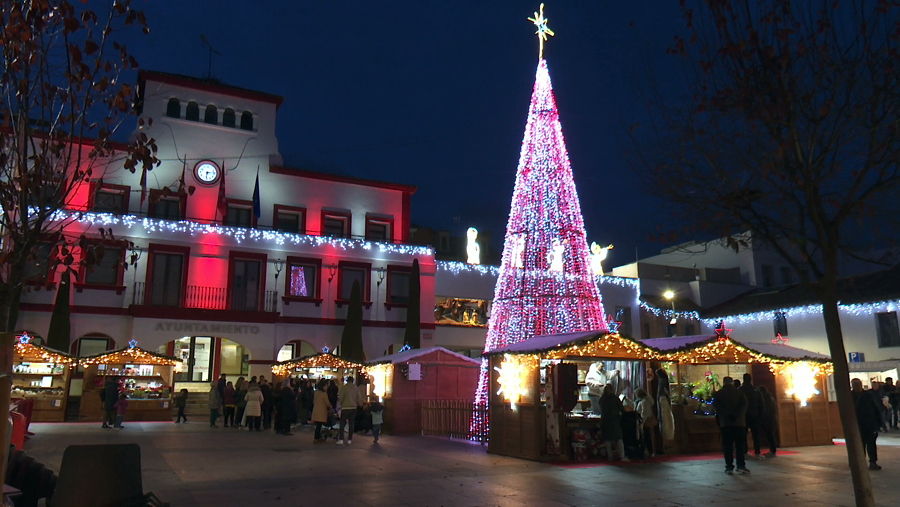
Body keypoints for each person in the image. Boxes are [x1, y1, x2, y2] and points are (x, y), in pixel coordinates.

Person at [712, 376, 749, 474]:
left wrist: (726, 415)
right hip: (739, 423)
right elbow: (744, 406)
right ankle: (741, 465)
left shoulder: (719, 394)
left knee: (727, 446)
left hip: (725, 424)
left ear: (723, 383)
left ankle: (729, 466)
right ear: (732, 382)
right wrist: (736, 415)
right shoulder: (740, 393)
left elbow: (716, 406)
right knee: (740, 446)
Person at [852, 378, 883, 470]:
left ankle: (872, 462)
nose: (857, 387)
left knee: (870, 444)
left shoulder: (867, 395)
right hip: (858, 425)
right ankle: (862, 462)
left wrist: (878, 423)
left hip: (869, 424)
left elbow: (876, 409)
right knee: (860, 445)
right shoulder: (851, 396)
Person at [599, 384, 629, 462]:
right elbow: (622, 409)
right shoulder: (615, 398)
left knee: (607, 439)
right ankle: (622, 456)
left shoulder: (602, 399)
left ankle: (610, 457)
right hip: (614, 420)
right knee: (619, 438)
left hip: (605, 420)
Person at [739, 373, 764, 459]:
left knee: (743, 435)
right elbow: (761, 404)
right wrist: (760, 415)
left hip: (743, 416)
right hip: (755, 415)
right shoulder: (755, 390)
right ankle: (757, 452)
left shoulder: (740, 390)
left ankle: (744, 452)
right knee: (756, 436)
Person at [337, 376, 361, 444]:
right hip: (353, 407)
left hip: (345, 407)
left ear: (347, 381)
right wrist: (359, 404)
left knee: (342, 423)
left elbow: (341, 397)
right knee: (351, 423)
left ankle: (341, 439)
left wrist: (341, 404)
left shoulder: (344, 387)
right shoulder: (356, 388)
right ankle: (350, 439)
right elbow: (358, 398)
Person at [634, 388, 657, 457]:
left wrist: (642, 423)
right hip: (645, 421)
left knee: (645, 437)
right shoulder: (645, 400)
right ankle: (648, 451)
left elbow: (644, 413)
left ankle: (648, 451)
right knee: (646, 437)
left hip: (645, 422)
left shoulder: (644, 402)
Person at [758, 385, 778, 458]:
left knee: (770, 436)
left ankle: (773, 451)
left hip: (769, 420)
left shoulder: (766, 399)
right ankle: (772, 450)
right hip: (771, 419)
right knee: (770, 436)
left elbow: (766, 410)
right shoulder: (770, 398)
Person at [656, 368, 674, 447]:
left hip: (662, 400)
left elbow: (662, 391)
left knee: (665, 420)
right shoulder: (665, 380)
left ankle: (666, 442)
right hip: (664, 399)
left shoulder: (662, 381)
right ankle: (667, 442)